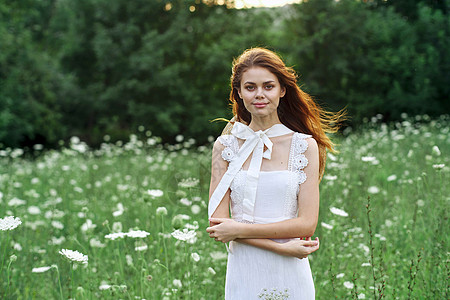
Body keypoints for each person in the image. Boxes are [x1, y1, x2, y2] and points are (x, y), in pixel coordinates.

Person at [206, 48, 344, 299]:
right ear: (238, 92)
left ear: (282, 90)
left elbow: (306, 223)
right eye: (250, 87)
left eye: (268, 86)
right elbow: (218, 226)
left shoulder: (305, 145)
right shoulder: (224, 147)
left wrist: (238, 230)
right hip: (244, 272)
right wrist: (279, 247)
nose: (259, 94)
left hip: (291, 270)